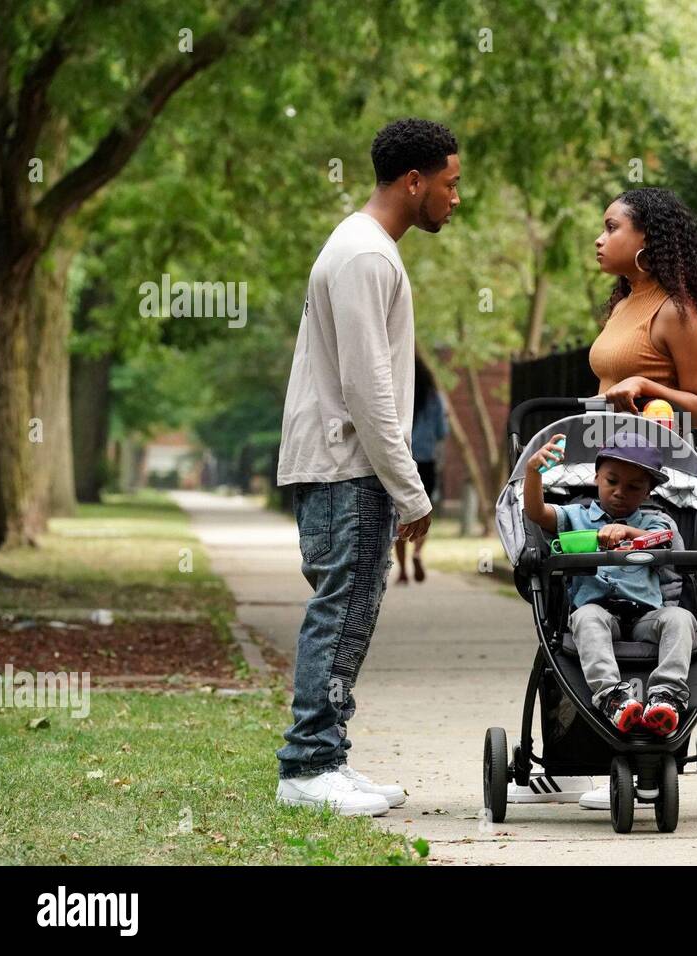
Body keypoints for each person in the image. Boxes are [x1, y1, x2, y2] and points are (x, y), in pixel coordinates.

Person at [274, 118, 460, 817]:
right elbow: (367, 386)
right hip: (346, 466)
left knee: (350, 615)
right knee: (340, 614)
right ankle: (306, 768)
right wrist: (411, 491)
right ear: (414, 182)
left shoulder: (363, 248)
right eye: (451, 183)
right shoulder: (365, 256)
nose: (455, 197)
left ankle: (327, 759)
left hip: (345, 465)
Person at [522, 431, 696, 735]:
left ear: (648, 492)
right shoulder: (575, 517)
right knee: (586, 618)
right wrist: (533, 473)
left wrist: (626, 532)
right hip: (598, 611)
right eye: (611, 481)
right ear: (596, 477)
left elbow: (664, 541)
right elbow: (537, 513)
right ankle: (613, 698)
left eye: (633, 487)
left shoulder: (655, 522)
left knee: (681, 619)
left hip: (646, 617)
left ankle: (665, 696)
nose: (619, 492)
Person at [589, 187, 697, 434]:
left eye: (611, 228)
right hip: (607, 455)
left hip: (654, 464)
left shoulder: (676, 312)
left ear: (646, 237)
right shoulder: (622, 305)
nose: (599, 239)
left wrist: (644, 385)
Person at [395, 360, 448, 584]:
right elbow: (442, 431)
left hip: (402, 459)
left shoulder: (398, 394)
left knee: (399, 514)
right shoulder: (434, 399)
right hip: (426, 461)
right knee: (423, 509)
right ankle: (417, 552)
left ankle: (403, 571)